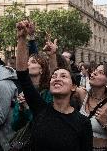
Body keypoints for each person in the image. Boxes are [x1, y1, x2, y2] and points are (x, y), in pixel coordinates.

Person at [16, 20, 93, 151]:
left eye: (63, 76)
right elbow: (23, 74)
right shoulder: (40, 109)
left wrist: (52, 57)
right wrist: (22, 38)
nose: (57, 79)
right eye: (54, 77)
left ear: (73, 86)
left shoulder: (83, 123)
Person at [77, 63, 107, 150]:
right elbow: (61, 82)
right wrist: (52, 55)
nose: (94, 73)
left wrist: (106, 124)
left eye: (101, 72)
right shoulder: (83, 95)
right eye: (95, 71)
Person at [12, 53, 52, 131]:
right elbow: (15, 127)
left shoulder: (49, 93)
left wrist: (27, 108)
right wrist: (21, 109)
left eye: (33, 62)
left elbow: (45, 124)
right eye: (27, 61)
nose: (27, 63)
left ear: (42, 70)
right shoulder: (23, 93)